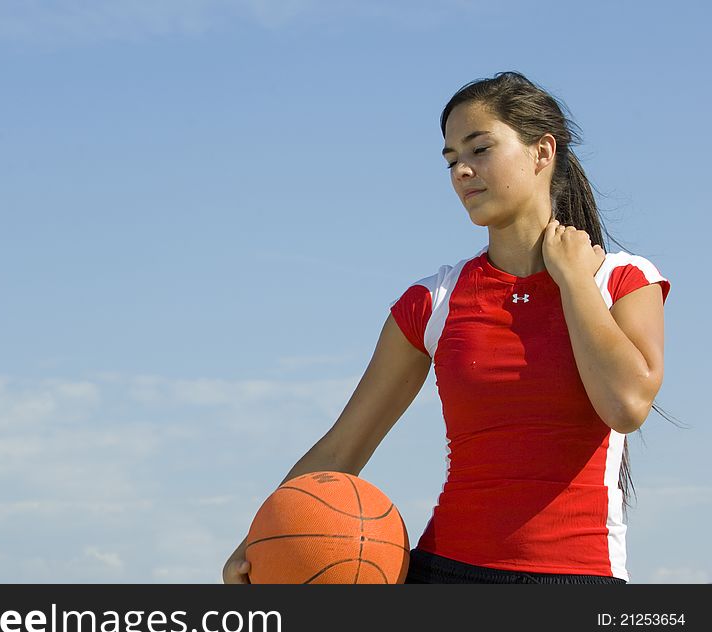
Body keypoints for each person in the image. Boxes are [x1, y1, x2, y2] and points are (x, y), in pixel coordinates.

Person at [222, 71, 671, 584]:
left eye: (479, 149)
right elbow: (343, 447)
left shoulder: (621, 280)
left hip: (578, 578)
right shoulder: (431, 301)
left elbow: (626, 405)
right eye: (452, 159)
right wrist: (253, 547)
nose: (462, 171)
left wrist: (573, 279)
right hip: (445, 572)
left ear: (542, 151)